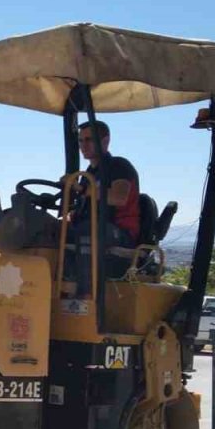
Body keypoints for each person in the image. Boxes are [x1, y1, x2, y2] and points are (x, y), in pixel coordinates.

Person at [69, 120, 140, 298]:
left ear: (105, 141)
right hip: (95, 229)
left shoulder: (119, 166)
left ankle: (86, 296)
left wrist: (84, 190)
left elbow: (119, 197)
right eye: (80, 140)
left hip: (120, 233)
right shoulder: (88, 175)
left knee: (87, 230)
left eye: (89, 140)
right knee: (50, 231)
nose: (83, 145)